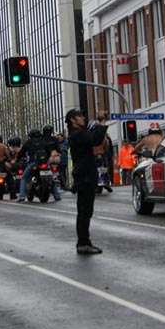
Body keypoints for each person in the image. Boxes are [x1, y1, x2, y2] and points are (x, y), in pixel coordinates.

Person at [66, 109, 107, 255]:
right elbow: (95, 140)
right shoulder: (77, 134)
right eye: (79, 116)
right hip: (85, 177)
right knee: (84, 211)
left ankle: (83, 242)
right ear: (72, 119)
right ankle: (83, 243)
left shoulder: (76, 133)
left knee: (84, 211)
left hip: (83, 175)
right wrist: (101, 122)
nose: (83, 118)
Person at [16, 129, 60, 203]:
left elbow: (21, 152)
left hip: (33, 163)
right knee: (51, 178)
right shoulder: (43, 141)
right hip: (45, 163)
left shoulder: (28, 142)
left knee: (23, 178)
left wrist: (18, 159)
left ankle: (22, 196)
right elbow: (48, 152)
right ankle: (57, 196)